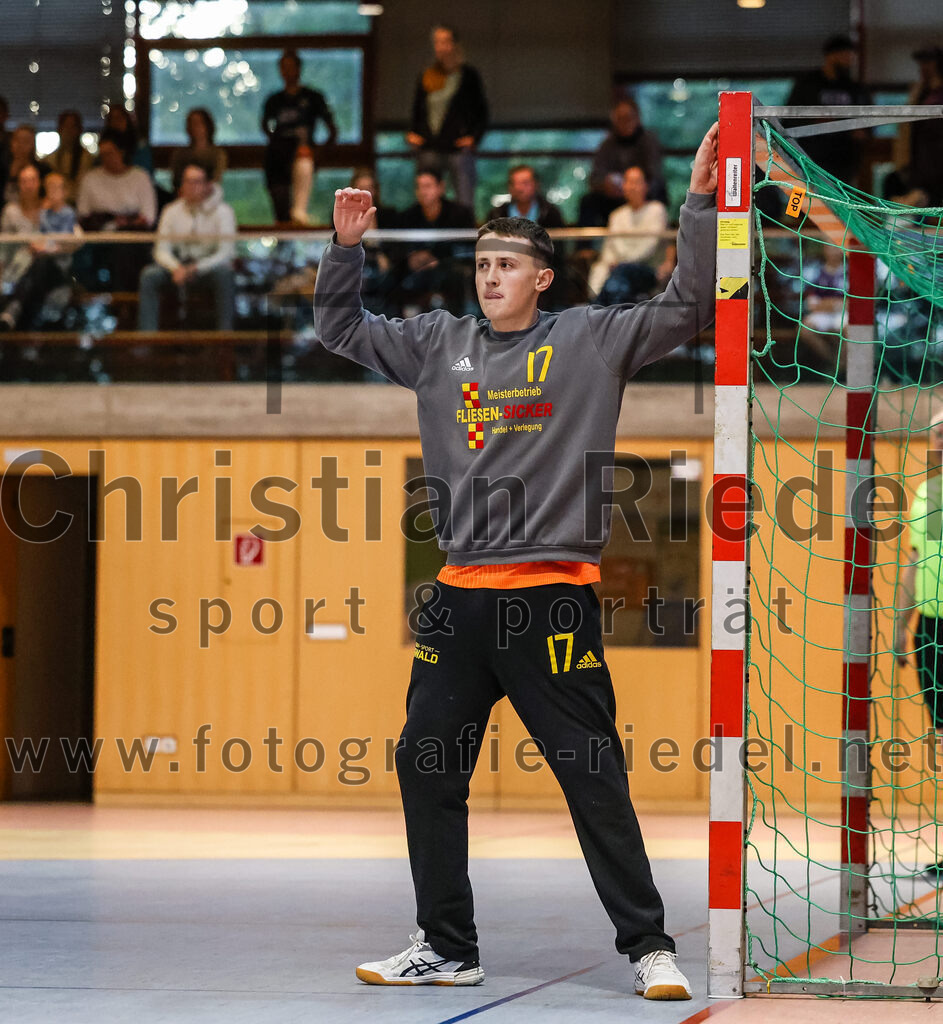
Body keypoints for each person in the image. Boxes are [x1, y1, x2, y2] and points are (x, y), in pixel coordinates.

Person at [312, 122, 719, 998]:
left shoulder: (590, 340)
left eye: (506, 266)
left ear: (540, 277)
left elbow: (690, 305)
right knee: (424, 762)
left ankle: (649, 947)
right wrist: (344, 248)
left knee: (591, 775)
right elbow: (338, 325)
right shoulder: (431, 345)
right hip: (457, 601)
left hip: (550, 600)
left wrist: (693, 200)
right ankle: (446, 946)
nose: (490, 277)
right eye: (482, 265)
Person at [896, 412, 943, 877]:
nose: (940, 438)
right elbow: (914, 562)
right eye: (935, 432)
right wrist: (899, 626)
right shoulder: (927, 494)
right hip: (931, 629)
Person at [138, 162, 236, 331]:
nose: (191, 187)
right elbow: (161, 250)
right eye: (187, 182)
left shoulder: (224, 212)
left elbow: (225, 253)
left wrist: (196, 268)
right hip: (177, 268)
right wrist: (176, 268)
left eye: (197, 182)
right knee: (149, 275)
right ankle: (147, 338)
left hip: (207, 268)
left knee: (225, 274)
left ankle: (225, 338)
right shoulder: (171, 210)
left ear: (208, 185)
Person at [408, 24, 488, 212]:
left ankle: (465, 239)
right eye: (437, 42)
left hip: (457, 145)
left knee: (464, 198)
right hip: (429, 145)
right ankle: (425, 238)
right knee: (426, 194)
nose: (440, 46)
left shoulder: (468, 76)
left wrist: (474, 137)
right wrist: (413, 132)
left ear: (454, 44)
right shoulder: (427, 74)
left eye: (445, 41)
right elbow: (418, 108)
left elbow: (482, 111)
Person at [261, 49, 337, 223]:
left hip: (303, 153)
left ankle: (298, 215)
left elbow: (332, 128)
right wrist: (275, 141)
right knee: (281, 205)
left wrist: (320, 152)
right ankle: (284, 239)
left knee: (298, 207)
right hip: (278, 156)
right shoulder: (274, 100)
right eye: (283, 67)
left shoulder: (312, 97)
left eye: (291, 67)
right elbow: (265, 125)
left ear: (299, 68)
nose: (287, 72)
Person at [0, 172, 81, 331]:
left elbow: (75, 239)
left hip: (53, 269)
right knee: (31, 274)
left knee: (40, 264)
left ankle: (15, 309)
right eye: (23, 181)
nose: (28, 185)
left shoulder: (64, 213)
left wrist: (49, 248)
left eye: (32, 180)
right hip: (21, 271)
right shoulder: (34, 212)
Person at [786, 34, 870, 185]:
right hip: (809, 159)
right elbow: (789, 119)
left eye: (851, 56)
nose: (849, 61)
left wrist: (859, 132)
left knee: (839, 205)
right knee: (800, 201)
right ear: (831, 56)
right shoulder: (808, 85)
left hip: (843, 161)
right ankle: (790, 210)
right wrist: (815, 120)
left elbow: (867, 125)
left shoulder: (854, 88)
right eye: (845, 55)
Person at [397, 168, 476, 313]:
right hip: (416, 273)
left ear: (441, 188)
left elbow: (467, 248)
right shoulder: (407, 215)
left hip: (450, 271)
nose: (422, 191)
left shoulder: (460, 214)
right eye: (418, 187)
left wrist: (439, 259)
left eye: (427, 186)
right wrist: (411, 257)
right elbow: (399, 247)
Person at [579, 97, 664, 227]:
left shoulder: (649, 142)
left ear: (637, 118)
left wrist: (636, 187)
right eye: (620, 118)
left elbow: (655, 176)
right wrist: (606, 184)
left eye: (629, 117)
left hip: (644, 195)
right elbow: (595, 177)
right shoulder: (607, 145)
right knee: (588, 201)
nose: (625, 122)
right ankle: (583, 247)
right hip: (613, 198)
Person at [588, 165, 669, 301]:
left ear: (646, 186)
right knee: (611, 281)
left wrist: (621, 262)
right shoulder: (616, 215)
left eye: (637, 182)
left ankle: (597, 312)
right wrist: (611, 264)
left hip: (647, 269)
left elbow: (648, 248)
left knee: (618, 280)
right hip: (617, 271)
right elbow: (609, 250)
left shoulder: (657, 210)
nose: (632, 187)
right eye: (628, 182)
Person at [889, 46, 943, 206]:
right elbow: (907, 129)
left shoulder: (937, 95)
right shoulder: (920, 93)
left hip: (936, 165)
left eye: (928, 63)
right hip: (920, 165)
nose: (923, 68)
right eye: (921, 63)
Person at [486, 164, 564, 227]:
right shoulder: (497, 215)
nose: (520, 188)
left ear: (536, 185)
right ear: (509, 187)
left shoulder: (550, 214)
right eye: (514, 184)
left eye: (525, 183)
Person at [170, 108, 228, 192]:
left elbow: (216, 181)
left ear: (207, 126)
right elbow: (176, 183)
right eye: (191, 124)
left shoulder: (217, 154)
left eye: (198, 123)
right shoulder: (180, 154)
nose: (194, 128)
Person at [47, 110, 95, 203]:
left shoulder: (88, 158)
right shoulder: (49, 159)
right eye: (65, 126)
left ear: (79, 130)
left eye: (73, 127)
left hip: (82, 203)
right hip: (57, 204)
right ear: (59, 129)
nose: (69, 131)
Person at [2, 125, 51, 206]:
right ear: (11, 142)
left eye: (26, 141)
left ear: (33, 144)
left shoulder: (43, 170)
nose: (20, 145)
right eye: (17, 140)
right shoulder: (3, 166)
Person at [102, 106, 153, 175]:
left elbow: (145, 169)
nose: (116, 122)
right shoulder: (105, 144)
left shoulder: (140, 144)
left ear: (127, 119)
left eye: (119, 118)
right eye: (113, 119)